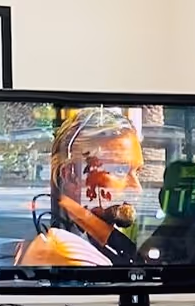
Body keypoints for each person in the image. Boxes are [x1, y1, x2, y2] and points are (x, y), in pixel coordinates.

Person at [13, 108, 144, 268]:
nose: (137, 189)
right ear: (71, 175)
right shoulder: (69, 253)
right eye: (119, 170)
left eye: (137, 172)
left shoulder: (94, 238)